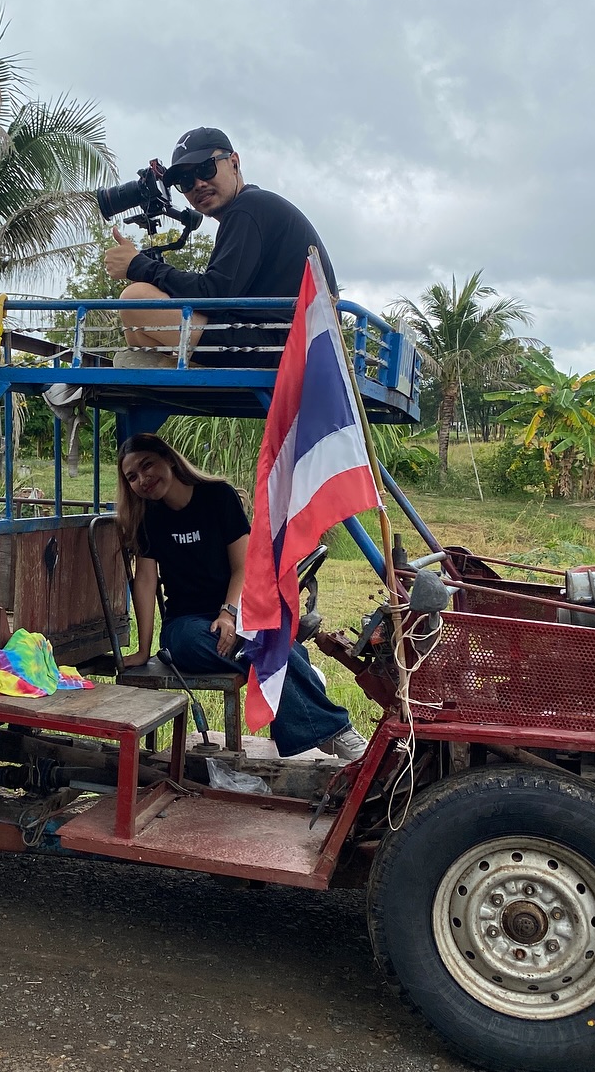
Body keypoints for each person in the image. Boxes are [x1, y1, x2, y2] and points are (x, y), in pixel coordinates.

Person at [115, 433, 368, 760]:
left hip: (239, 613)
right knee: (207, 642)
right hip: (187, 624)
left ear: (169, 459)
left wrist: (229, 613)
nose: (142, 479)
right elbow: (146, 583)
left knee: (261, 641)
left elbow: (242, 567)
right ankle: (297, 670)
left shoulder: (217, 496)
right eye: (131, 477)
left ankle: (327, 723)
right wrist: (143, 649)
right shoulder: (148, 517)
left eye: (147, 465)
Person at [103, 126, 336, 367]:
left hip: (279, 347)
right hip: (283, 342)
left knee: (137, 299)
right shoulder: (253, 209)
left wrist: (138, 265)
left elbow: (213, 295)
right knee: (140, 329)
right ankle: (176, 370)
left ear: (234, 163)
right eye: (186, 181)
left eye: (206, 168)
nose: (198, 184)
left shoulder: (248, 208)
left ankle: (176, 373)